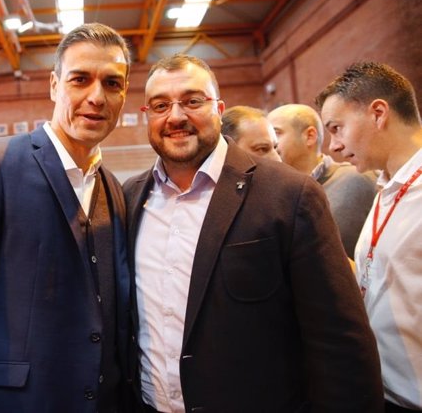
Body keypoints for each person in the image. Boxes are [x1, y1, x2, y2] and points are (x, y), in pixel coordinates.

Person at [124, 54, 383, 412]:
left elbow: (340, 340)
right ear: (147, 115)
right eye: (160, 105)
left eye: (193, 101)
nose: (176, 116)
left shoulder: (289, 194)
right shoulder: (130, 199)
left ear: (219, 108)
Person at [0, 22, 132, 413]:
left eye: (112, 84)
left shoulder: (114, 189)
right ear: (54, 85)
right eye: (80, 79)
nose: (96, 97)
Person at [318, 62, 422, 412]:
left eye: (337, 128)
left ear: (378, 113)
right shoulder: (386, 188)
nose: (333, 146)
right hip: (383, 393)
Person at [268, 103, 377, 258]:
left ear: (310, 136)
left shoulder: (358, 179)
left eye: (276, 133)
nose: (271, 144)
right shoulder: (274, 193)